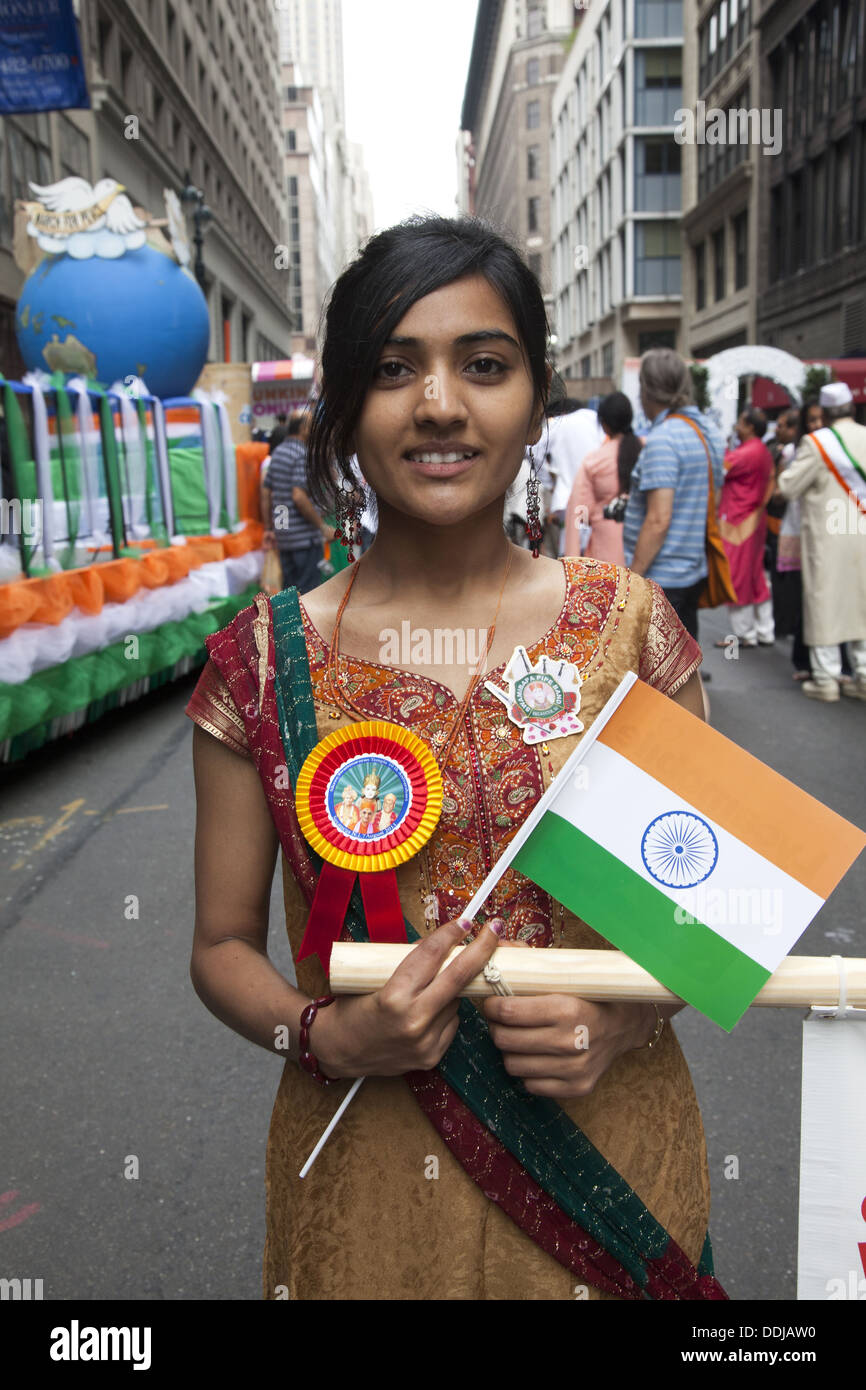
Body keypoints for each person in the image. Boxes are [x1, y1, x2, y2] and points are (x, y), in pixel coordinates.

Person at [184, 213, 723, 1301]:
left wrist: (617, 1021)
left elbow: (708, 907)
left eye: (483, 365)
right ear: (342, 407)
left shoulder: (629, 631)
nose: (438, 404)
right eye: (392, 369)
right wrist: (326, 1036)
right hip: (368, 1172)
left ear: (534, 400)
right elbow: (221, 944)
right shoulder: (258, 664)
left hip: (607, 1155)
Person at [623, 349, 725, 642]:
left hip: (663, 578)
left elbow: (659, 519)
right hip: (693, 570)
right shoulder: (708, 432)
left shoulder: (664, 439)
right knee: (683, 672)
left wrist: (632, 580)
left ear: (647, 390)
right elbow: (713, 502)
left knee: (659, 682)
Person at [778, 381, 866, 701]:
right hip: (862, 535)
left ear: (825, 413)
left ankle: (826, 678)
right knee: (862, 603)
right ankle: (863, 674)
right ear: (852, 408)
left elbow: (788, 486)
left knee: (824, 600)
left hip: (829, 535)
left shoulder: (817, 443)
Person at [715, 407, 776, 648]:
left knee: (736, 576)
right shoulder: (762, 451)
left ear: (750, 427)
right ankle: (765, 630)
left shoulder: (744, 453)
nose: (737, 427)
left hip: (737, 521)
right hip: (755, 519)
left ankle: (745, 634)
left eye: (740, 422)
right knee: (755, 575)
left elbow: (719, 470)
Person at [261, 409, 335, 594]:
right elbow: (298, 496)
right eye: (312, 426)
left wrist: (273, 529)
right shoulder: (302, 454)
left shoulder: (278, 453)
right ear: (303, 428)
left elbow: (268, 494)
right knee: (308, 595)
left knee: (289, 595)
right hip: (305, 541)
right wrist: (322, 527)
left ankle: (289, 624)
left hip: (285, 539)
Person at [564, 391, 643, 563]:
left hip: (607, 558)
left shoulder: (595, 461)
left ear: (604, 424)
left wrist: (573, 558)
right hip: (644, 552)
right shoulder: (646, 451)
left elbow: (579, 511)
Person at [771, 408, 810, 680]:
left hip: (811, 531)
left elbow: (781, 490)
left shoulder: (807, 452)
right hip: (796, 527)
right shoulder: (790, 453)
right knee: (792, 586)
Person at [543, 396, 605, 555]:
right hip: (592, 497)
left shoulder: (558, 423)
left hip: (568, 498)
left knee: (571, 546)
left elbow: (533, 449)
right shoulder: (593, 418)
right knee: (585, 545)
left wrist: (549, 480)